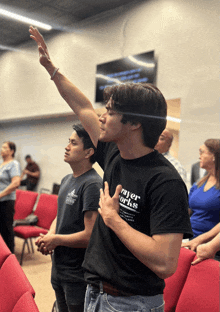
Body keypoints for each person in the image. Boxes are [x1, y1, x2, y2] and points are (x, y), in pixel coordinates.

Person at [30, 26, 192, 312]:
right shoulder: (114, 153)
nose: (102, 116)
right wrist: (51, 68)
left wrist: (114, 219)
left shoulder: (165, 181)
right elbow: (81, 106)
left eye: (112, 111)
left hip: (131, 303)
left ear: (134, 123)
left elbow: (165, 263)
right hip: (96, 291)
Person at [35, 123, 102, 312]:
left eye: (73, 143)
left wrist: (55, 240)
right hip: (59, 268)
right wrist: (50, 235)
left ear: (89, 152)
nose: (67, 147)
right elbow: (60, 215)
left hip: (77, 274)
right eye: (68, 142)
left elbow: (90, 236)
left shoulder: (92, 185)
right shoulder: (67, 179)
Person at [188, 139, 220, 243]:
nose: (199, 156)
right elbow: (187, 210)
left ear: (214, 156)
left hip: (210, 245)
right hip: (190, 238)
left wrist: (200, 239)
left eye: (202, 152)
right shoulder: (199, 183)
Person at [0, 141, 21, 252]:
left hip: (6, 201)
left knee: (6, 230)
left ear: (11, 151)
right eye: (2, 147)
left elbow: (16, 183)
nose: (1, 149)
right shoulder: (0, 163)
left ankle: (9, 257)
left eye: (4, 148)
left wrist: (1, 195)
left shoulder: (14, 164)